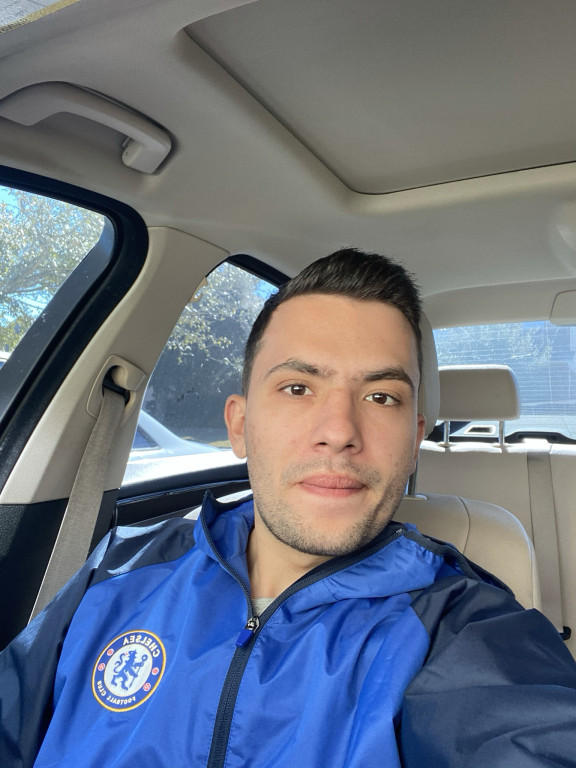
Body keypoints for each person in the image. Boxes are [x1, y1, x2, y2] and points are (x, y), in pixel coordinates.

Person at [1, 249, 576, 768]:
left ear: (413, 439)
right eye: (298, 388)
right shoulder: (118, 568)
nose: (339, 431)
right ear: (240, 425)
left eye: (381, 397)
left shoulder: (461, 626)